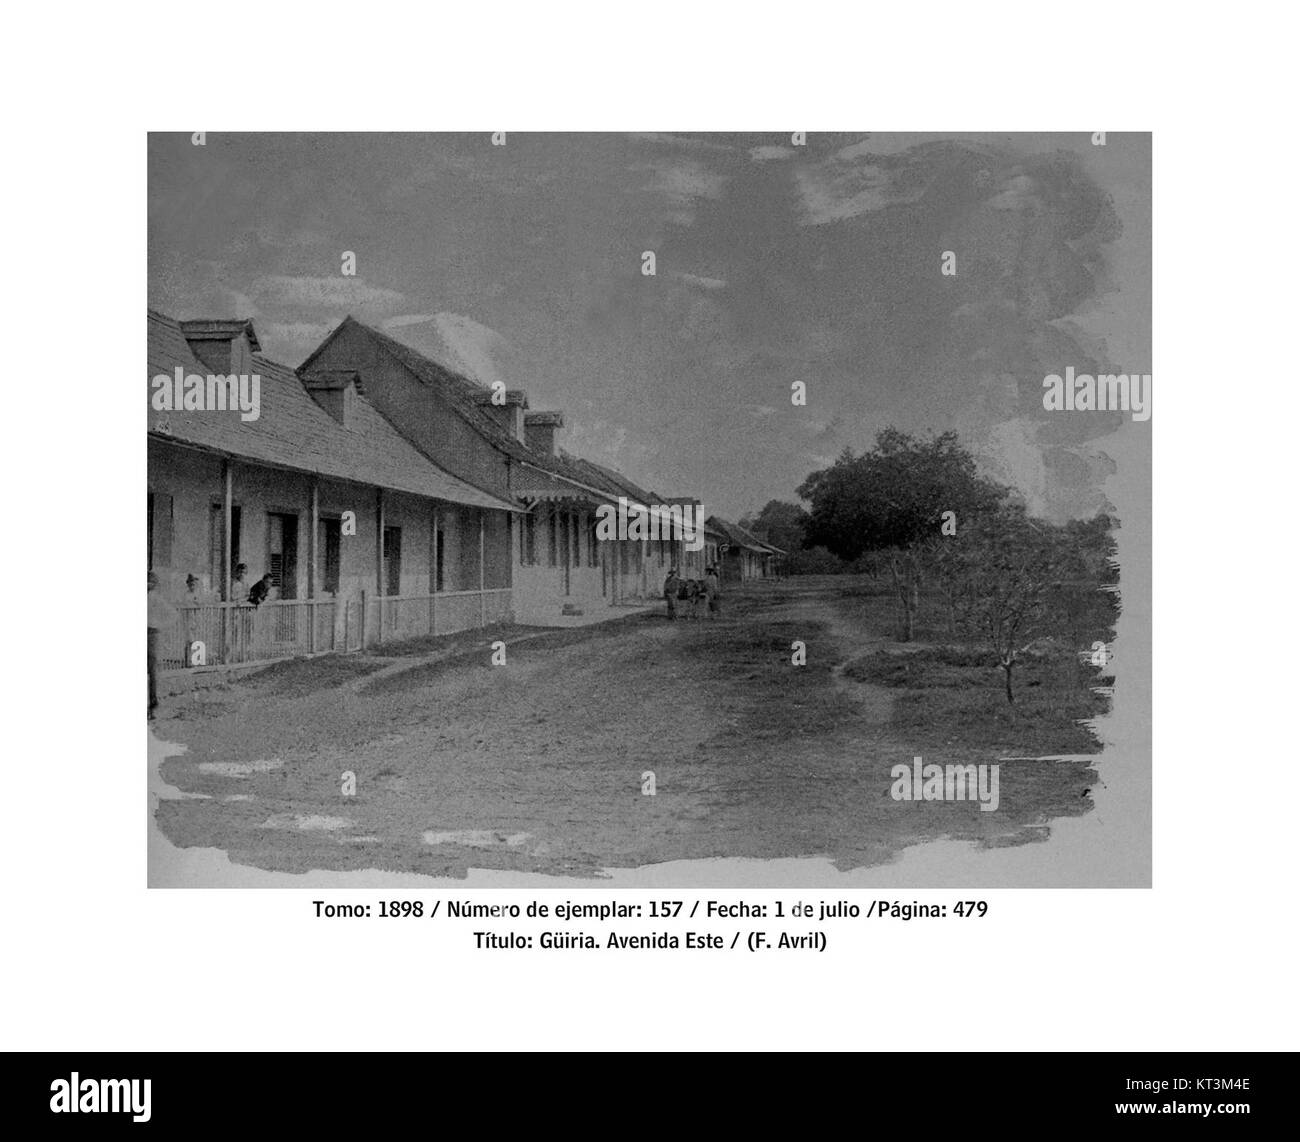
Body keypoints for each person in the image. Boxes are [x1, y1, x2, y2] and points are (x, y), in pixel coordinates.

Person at [146, 571, 177, 720]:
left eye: (150, 582)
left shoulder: (156, 599)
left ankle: (153, 705)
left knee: (153, 671)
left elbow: (173, 615)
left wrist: (159, 625)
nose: (147, 585)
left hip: (152, 634)